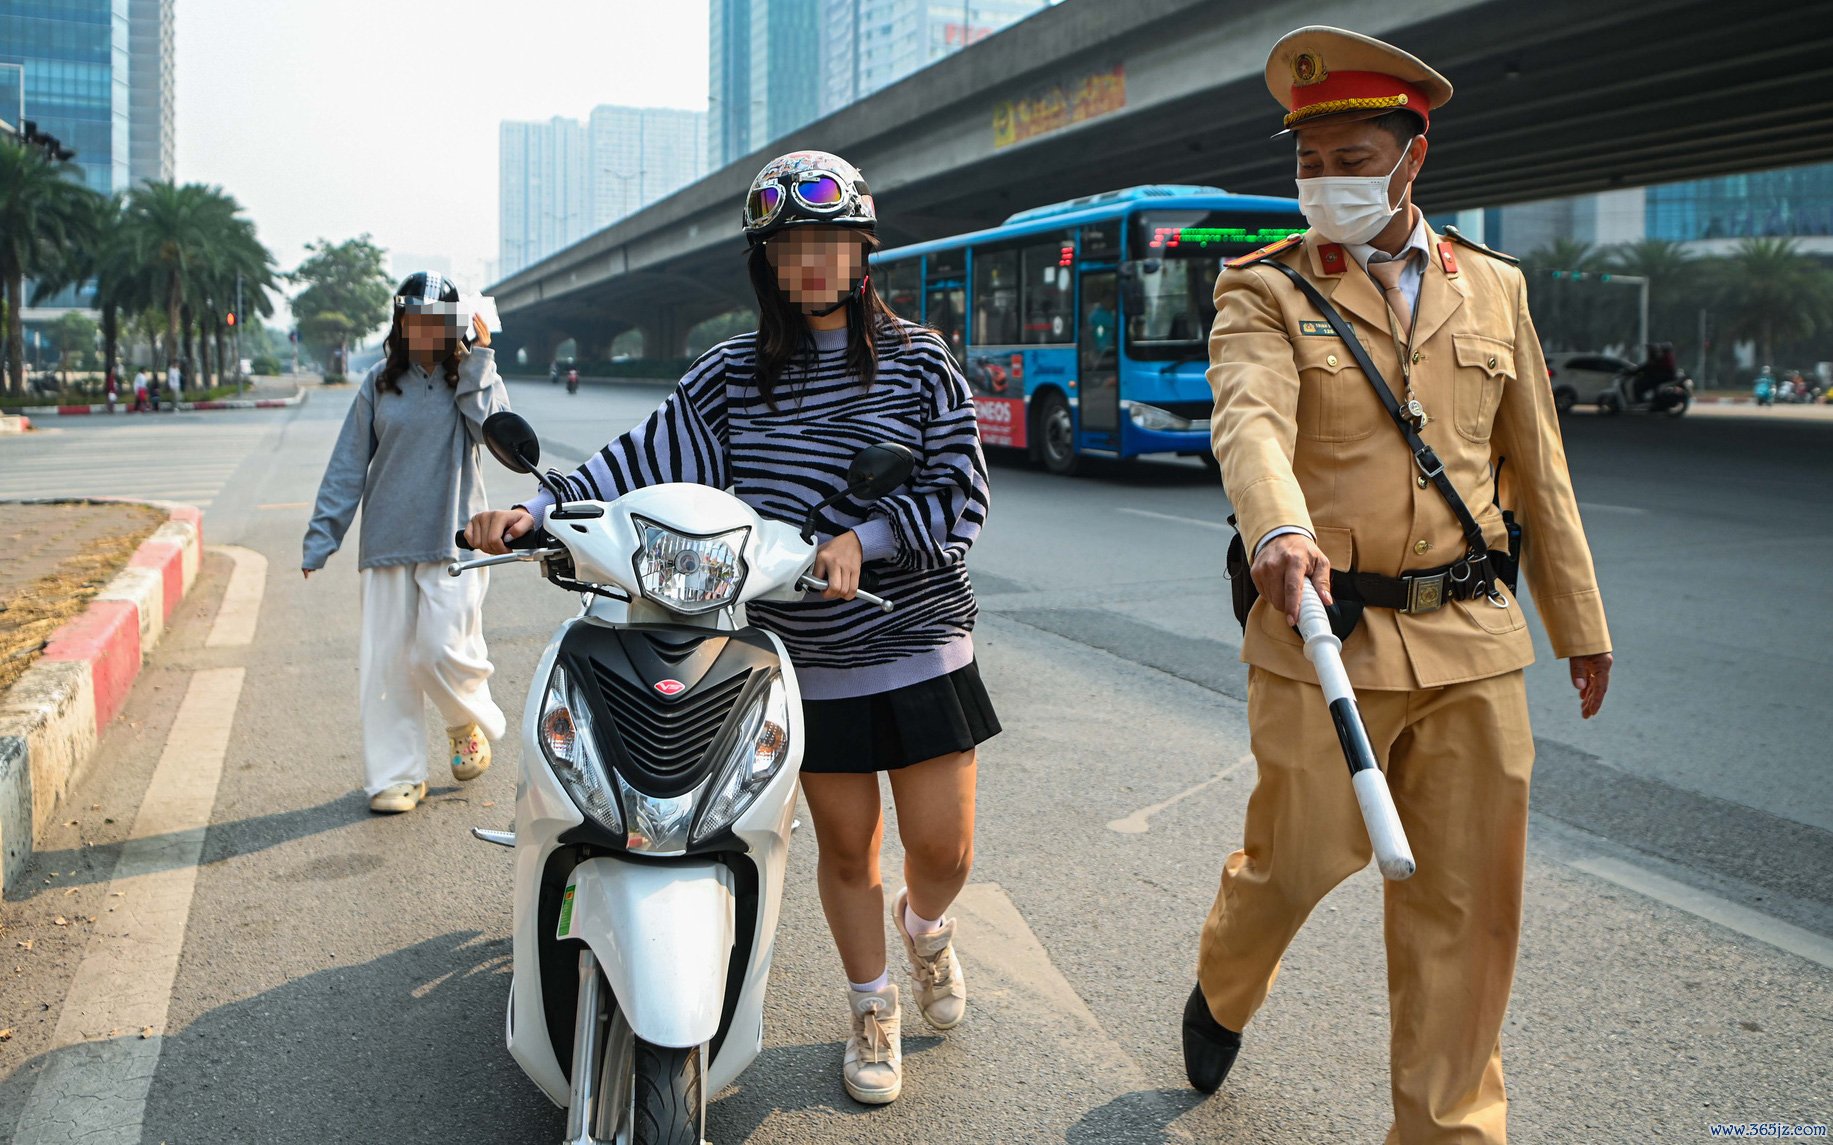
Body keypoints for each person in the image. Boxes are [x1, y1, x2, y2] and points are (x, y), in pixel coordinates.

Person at [465, 150, 995, 1107]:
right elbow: (637, 459)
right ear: (767, 264)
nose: (813, 266)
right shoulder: (730, 376)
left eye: (831, 244)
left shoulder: (920, 362)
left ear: (861, 252)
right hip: (805, 652)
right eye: (792, 248)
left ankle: (926, 927)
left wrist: (861, 540)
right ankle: (871, 1007)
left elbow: (959, 489)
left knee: (943, 849)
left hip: (913, 633)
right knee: (843, 848)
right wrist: (538, 515)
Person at [1186, 28, 1614, 1145]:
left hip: (1474, 635)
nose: (1327, 179)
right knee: (1294, 864)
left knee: (1463, 910)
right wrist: (1276, 531)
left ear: (1411, 158)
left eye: (1352, 155)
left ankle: (1450, 1128)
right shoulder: (1264, 289)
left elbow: (1539, 468)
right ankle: (1228, 975)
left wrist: (1578, 619)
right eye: (1310, 160)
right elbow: (1250, 420)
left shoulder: (1496, 289)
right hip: (1324, 628)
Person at [303, 272, 512, 815]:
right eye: (414, 320)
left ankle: (470, 720)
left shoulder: (470, 377)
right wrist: (322, 537)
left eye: (436, 323)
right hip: (390, 538)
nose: (423, 331)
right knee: (389, 664)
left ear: (455, 327)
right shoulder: (378, 383)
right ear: (400, 323)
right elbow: (349, 464)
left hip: (456, 538)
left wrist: (480, 362)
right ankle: (396, 776)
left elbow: (496, 433)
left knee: (440, 649)